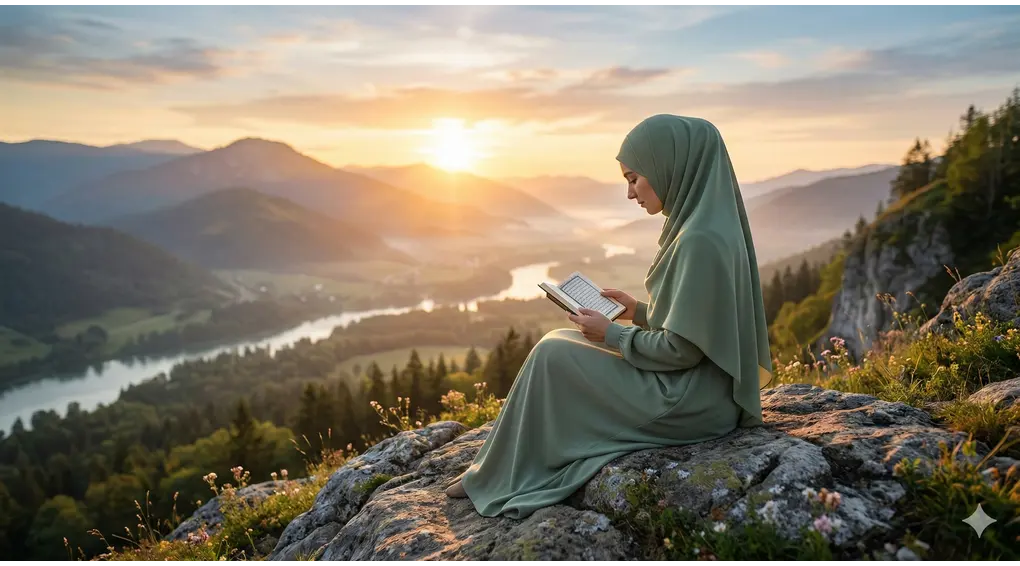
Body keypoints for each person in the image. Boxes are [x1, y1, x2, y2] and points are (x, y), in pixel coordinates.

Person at [444, 114, 774, 519]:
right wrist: (638, 312)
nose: (630, 193)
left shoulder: (699, 240)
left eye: (634, 178)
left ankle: (505, 471)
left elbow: (682, 351)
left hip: (691, 400)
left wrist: (614, 334)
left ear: (671, 165)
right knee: (557, 343)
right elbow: (704, 323)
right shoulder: (705, 225)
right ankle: (499, 466)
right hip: (705, 388)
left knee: (554, 355)